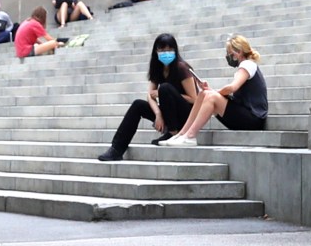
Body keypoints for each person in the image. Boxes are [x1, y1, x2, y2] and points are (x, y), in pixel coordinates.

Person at [97, 31, 202, 161]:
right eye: (162, 49)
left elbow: (194, 99)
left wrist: (164, 93)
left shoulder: (181, 68)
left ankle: (173, 133)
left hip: (187, 116)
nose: (166, 52)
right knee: (138, 105)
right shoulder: (157, 68)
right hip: (169, 114)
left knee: (165, 88)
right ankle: (117, 149)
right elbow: (149, 95)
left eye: (170, 49)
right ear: (156, 51)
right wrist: (158, 114)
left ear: (175, 50)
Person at [157, 35, 268, 146]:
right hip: (245, 116)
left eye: (229, 53)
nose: (227, 56)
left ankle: (190, 136)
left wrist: (214, 94)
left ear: (238, 52)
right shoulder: (246, 66)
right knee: (203, 94)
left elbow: (231, 88)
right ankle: (181, 134)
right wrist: (210, 91)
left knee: (210, 96)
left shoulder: (247, 64)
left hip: (254, 120)